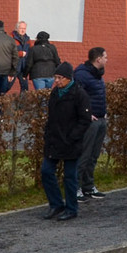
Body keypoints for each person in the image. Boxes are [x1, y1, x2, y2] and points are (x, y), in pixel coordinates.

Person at [39, 62, 90, 221]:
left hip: (70, 142)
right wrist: (48, 134)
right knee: (46, 171)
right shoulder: (55, 93)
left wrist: (72, 136)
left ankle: (71, 208)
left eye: (59, 78)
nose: (56, 81)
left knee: (70, 177)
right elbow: (51, 117)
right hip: (54, 140)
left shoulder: (79, 94)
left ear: (68, 79)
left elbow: (85, 120)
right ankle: (56, 204)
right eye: (55, 77)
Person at [71, 47, 109, 199]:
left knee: (93, 155)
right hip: (90, 121)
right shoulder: (82, 75)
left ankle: (88, 185)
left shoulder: (98, 74)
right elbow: (77, 97)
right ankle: (76, 187)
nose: (107, 59)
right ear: (98, 59)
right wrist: (87, 114)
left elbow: (98, 95)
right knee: (84, 155)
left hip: (100, 118)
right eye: (105, 57)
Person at [12, 21, 33, 93]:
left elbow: (31, 51)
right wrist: (19, 54)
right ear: (16, 28)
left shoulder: (27, 39)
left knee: (25, 87)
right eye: (21, 28)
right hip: (14, 67)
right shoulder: (12, 38)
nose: (23, 30)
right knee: (7, 85)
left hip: (23, 67)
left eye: (24, 28)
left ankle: (22, 103)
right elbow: (8, 52)